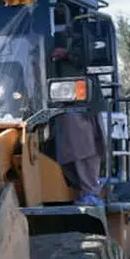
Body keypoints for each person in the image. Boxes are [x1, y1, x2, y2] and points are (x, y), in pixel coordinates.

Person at [51, 31, 106, 205]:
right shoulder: (32, 40)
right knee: (73, 150)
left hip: (82, 105)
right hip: (55, 107)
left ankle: (90, 192)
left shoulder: (81, 37)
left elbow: (90, 58)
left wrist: (66, 54)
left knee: (85, 149)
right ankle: (80, 188)